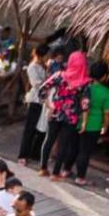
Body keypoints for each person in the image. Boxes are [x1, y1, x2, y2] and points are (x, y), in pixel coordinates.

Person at [39, 50, 92, 180]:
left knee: (48, 141)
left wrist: (49, 105)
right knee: (63, 145)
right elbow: (85, 103)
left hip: (55, 113)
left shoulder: (59, 75)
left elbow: (42, 90)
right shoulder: (85, 82)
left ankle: (43, 169)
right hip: (71, 117)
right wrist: (84, 122)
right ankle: (56, 173)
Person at [71, 60, 109, 186]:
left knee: (73, 147)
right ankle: (80, 177)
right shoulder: (106, 92)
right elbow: (108, 113)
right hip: (93, 125)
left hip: (77, 120)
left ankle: (65, 170)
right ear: (104, 76)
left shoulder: (84, 85)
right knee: (85, 151)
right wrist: (105, 127)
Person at [18, 43, 50, 165]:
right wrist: (48, 81)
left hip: (43, 101)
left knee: (41, 128)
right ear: (42, 55)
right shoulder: (32, 67)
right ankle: (23, 155)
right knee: (29, 129)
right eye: (47, 55)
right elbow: (37, 84)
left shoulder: (42, 66)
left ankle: (34, 153)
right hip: (35, 100)